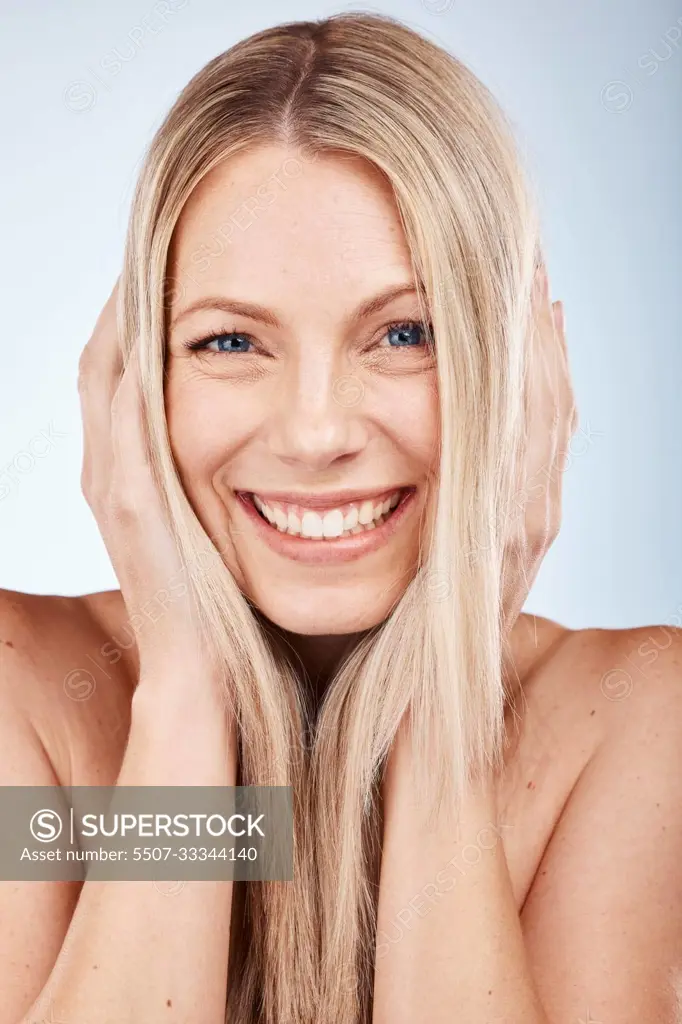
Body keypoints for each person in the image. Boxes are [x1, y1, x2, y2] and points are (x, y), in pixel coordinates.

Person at [1, 11, 680, 1024]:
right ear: (136, 383)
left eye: (405, 332)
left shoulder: (636, 713)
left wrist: (439, 706)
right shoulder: (26, 690)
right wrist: (188, 690)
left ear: (517, 376)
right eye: (231, 342)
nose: (316, 432)